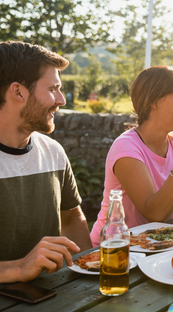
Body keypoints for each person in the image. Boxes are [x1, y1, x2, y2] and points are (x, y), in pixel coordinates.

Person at [90, 66, 173, 246]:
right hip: (116, 248)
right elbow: (155, 213)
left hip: (156, 243)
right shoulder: (127, 147)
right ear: (153, 100)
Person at [0, 41, 92, 282]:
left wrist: (90, 276)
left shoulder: (53, 151)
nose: (61, 99)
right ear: (18, 91)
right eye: (53, 89)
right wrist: (18, 268)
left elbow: (71, 218)